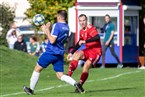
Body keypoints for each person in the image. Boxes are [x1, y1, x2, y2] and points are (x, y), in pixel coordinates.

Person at [23, 10, 85, 95]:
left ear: (59, 17)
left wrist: (47, 31)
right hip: (59, 53)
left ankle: (31, 89)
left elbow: (52, 40)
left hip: (51, 52)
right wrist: (48, 30)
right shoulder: (67, 27)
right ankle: (76, 84)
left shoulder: (57, 25)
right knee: (60, 75)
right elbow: (58, 37)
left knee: (37, 68)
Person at [67, 14, 102, 92]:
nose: (82, 22)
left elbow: (97, 37)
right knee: (77, 55)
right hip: (88, 50)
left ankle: (80, 84)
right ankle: (68, 75)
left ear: (86, 21)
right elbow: (80, 42)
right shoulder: (81, 31)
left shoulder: (91, 28)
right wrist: (71, 52)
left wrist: (85, 41)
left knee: (86, 66)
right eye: (80, 21)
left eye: (84, 20)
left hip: (96, 52)